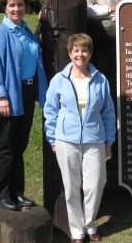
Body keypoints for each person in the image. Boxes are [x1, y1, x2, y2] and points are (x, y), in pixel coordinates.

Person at [44, 33, 116, 243]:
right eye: (76, 50)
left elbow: (108, 112)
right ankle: (77, 231)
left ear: (90, 54)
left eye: (84, 50)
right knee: (72, 187)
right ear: (70, 53)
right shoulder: (59, 80)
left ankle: (90, 224)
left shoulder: (100, 79)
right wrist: (52, 139)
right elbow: (51, 111)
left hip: (95, 140)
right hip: (66, 140)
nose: (80, 54)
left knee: (96, 183)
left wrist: (108, 141)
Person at [0, 0, 48, 211]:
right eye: (12, 5)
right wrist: (0, 97)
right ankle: (1, 194)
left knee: (19, 145)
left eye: (20, 4)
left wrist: (39, 29)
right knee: (4, 146)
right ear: (5, 7)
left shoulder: (27, 32)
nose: (16, 9)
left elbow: (32, 48)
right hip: (8, 96)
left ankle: (17, 192)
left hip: (27, 93)